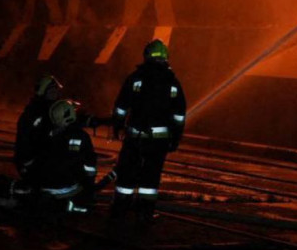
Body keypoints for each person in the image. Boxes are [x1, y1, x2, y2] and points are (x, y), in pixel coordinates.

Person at [110, 39, 187, 221]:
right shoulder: (172, 83)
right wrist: (175, 138)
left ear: (146, 56)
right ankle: (145, 213)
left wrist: (117, 126)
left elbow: (121, 106)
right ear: (166, 58)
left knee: (127, 174)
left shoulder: (135, 78)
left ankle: (119, 211)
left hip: (134, 138)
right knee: (150, 179)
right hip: (158, 143)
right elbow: (179, 115)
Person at [31, 99, 98, 212]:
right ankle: (73, 207)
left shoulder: (47, 134)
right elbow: (90, 164)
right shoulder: (81, 136)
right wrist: (89, 186)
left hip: (44, 186)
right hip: (67, 187)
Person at [13, 75, 62, 193]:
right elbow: (30, 141)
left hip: (44, 160)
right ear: (43, 92)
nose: (55, 93)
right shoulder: (34, 113)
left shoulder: (55, 110)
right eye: (52, 91)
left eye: (56, 90)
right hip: (33, 162)